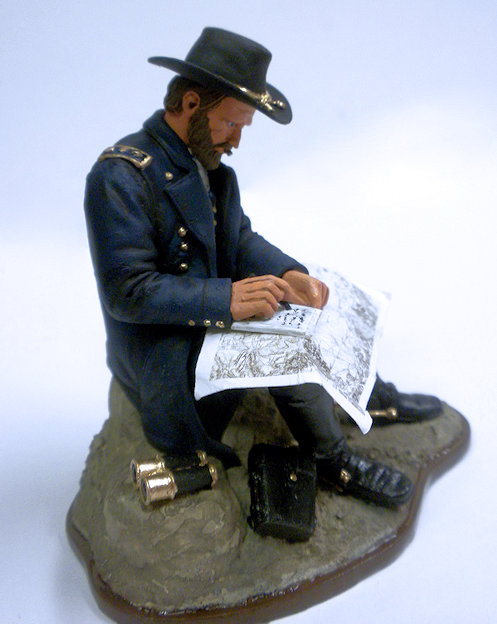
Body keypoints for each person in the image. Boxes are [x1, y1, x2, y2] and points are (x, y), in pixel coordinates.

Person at [85, 27, 441, 508]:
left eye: (242, 128)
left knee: (317, 303)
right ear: (191, 104)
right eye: (231, 124)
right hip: (164, 347)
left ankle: (367, 399)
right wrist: (226, 299)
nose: (235, 141)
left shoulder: (208, 166)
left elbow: (238, 240)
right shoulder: (120, 176)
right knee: (287, 349)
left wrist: (291, 274)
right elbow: (127, 292)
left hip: (207, 318)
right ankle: (332, 461)